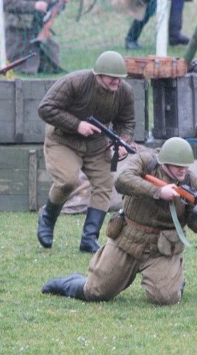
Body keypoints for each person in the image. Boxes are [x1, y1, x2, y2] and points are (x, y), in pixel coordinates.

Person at [41, 137, 197, 305]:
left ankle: (175, 281)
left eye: (185, 167)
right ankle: (68, 283)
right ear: (165, 162)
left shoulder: (193, 184)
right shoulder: (145, 162)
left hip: (161, 248)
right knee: (95, 291)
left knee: (166, 298)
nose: (182, 171)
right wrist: (158, 191)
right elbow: (122, 180)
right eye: (178, 166)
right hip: (127, 239)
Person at [36, 50, 135, 253]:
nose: (117, 82)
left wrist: (122, 142)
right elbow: (46, 108)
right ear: (98, 75)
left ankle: (89, 239)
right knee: (67, 181)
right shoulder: (75, 82)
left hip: (97, 145)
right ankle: (47, 217)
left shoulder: (125, 92)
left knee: (105, 185)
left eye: (120, 78)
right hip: (63, 140)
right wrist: (77, 124)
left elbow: (126, 122)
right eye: (112, 78)